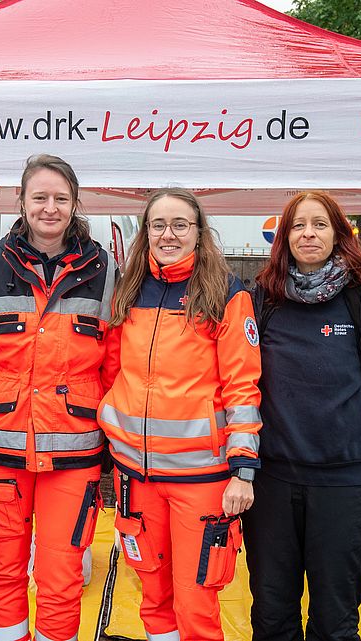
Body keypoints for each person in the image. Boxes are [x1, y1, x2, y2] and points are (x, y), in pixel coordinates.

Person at [0, 154, 118, 641]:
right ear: (20, 202)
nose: (50, 208)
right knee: (2, 571)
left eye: (60, 199)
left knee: (62, 578)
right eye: (39, 197)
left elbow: (114, 366)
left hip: (73, 455)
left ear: (75, 204)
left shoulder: (104, 270)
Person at [98, 188, 262, 641]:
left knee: (196, 601)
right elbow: (113, 371)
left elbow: (242, 387)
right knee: (153, 595)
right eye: (158, 225)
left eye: (179, 225)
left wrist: (243, 470)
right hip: (137, 477)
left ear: (198, 231)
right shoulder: (128, 290)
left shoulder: (227, 294)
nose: (168, 234)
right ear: (145, 231)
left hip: (201, 479)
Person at [243, 191, 361, 641]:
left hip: (344, 486)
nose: (308, 234)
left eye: (320, 224)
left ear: (338, 234)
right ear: (283, 236)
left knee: (335, 621)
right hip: (273, 484)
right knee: (271, 614)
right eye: (298, 225)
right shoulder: (260, 300)